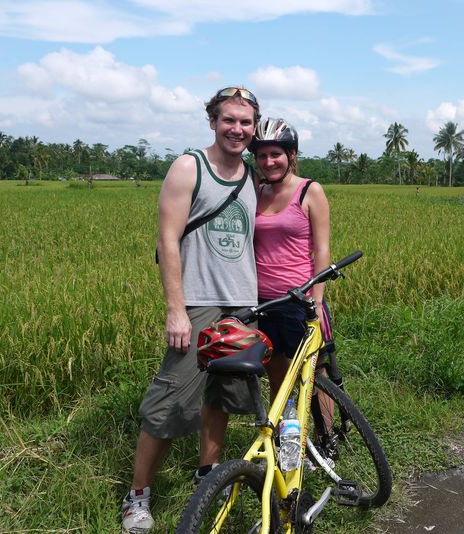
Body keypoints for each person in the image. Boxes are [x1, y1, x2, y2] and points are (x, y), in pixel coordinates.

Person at [121, 86, 260, 534]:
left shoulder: (252, 175)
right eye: (229, 120)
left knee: (223, 396)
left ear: (253, 127)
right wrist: (176, 310)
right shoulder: (189, 167)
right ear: (213, 121)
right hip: (198, 303)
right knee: (171, 401)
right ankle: (138, 495)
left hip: (242, 303)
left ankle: (208, 475)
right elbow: (168, 241)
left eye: (245, 122)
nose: (237, 129)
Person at [248, 118, 331, 398]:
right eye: (262, 155)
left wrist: (317, 301)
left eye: (276, 154)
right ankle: (286, 439)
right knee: (277, 375)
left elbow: (322, 250)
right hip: (263, 301)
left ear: (291, 154)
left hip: (300, 300)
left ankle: (327, 439)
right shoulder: (257, 192)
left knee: (315, 373)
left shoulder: (310, 191)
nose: (269, 161)